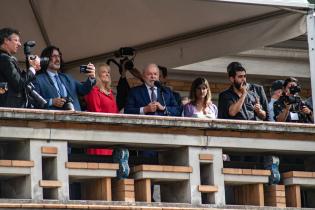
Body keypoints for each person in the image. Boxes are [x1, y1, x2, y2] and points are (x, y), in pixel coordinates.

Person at [33, 45, 96, 111]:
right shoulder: (38, 79)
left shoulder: (67, 77)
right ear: (46, 59)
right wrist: (51, 102)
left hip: (75, 117)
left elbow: (84, 90)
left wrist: (91, 77)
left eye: (58, 56)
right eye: (54, 56)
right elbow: (34, 102)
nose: (57, 59)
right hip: (53, 119)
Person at [0, 27, 41, 108]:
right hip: (9, 110)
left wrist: (31, 70)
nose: (19, 44)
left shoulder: (4, 58)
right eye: (16, 40)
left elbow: (15, 81)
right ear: (6, 41)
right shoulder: (5, 59)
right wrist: (32, 69)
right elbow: (19, 84)